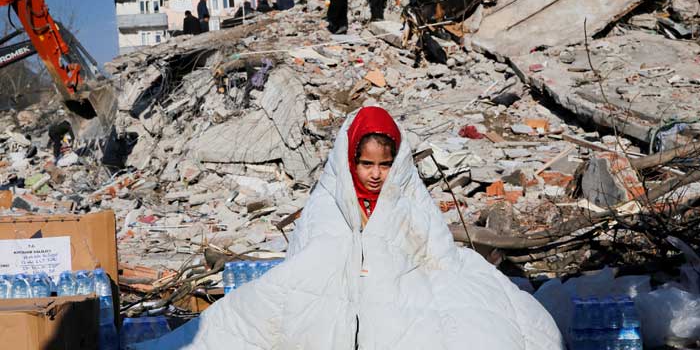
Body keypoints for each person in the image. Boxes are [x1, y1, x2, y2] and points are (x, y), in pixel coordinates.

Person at [133, 106, 564, 350]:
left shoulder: (409, 197)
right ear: (349, 162)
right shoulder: (329, 202)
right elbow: (310, 262)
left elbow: (433, 255)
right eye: (366, 164)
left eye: (384, 164)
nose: (376, 175)